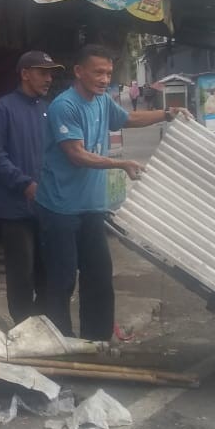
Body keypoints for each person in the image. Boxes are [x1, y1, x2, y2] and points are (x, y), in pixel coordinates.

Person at [35, 45, 185, 341]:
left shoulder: (102, 102)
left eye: (108, 73)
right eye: (98, 72)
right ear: (79, 71)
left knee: (100, 279)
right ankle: (58, 345)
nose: (104, 79)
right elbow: (76, 155)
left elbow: (127, 120)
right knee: (62, 282)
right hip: (59, 209)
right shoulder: (64, 106)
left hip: (92, 208)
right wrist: (122, 164)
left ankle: (97, 343)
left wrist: (167, 114)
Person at [0, 51, 64, 325]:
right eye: (42, 72)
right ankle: (23, 326)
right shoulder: (1, 110)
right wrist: (24, 183)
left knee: (51, 270)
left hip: (49, 206)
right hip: (15, 208)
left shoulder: (51, 110)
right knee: (22, 273)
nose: (48, 78)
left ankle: (45, 323)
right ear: (25, 73)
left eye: (51, 73)